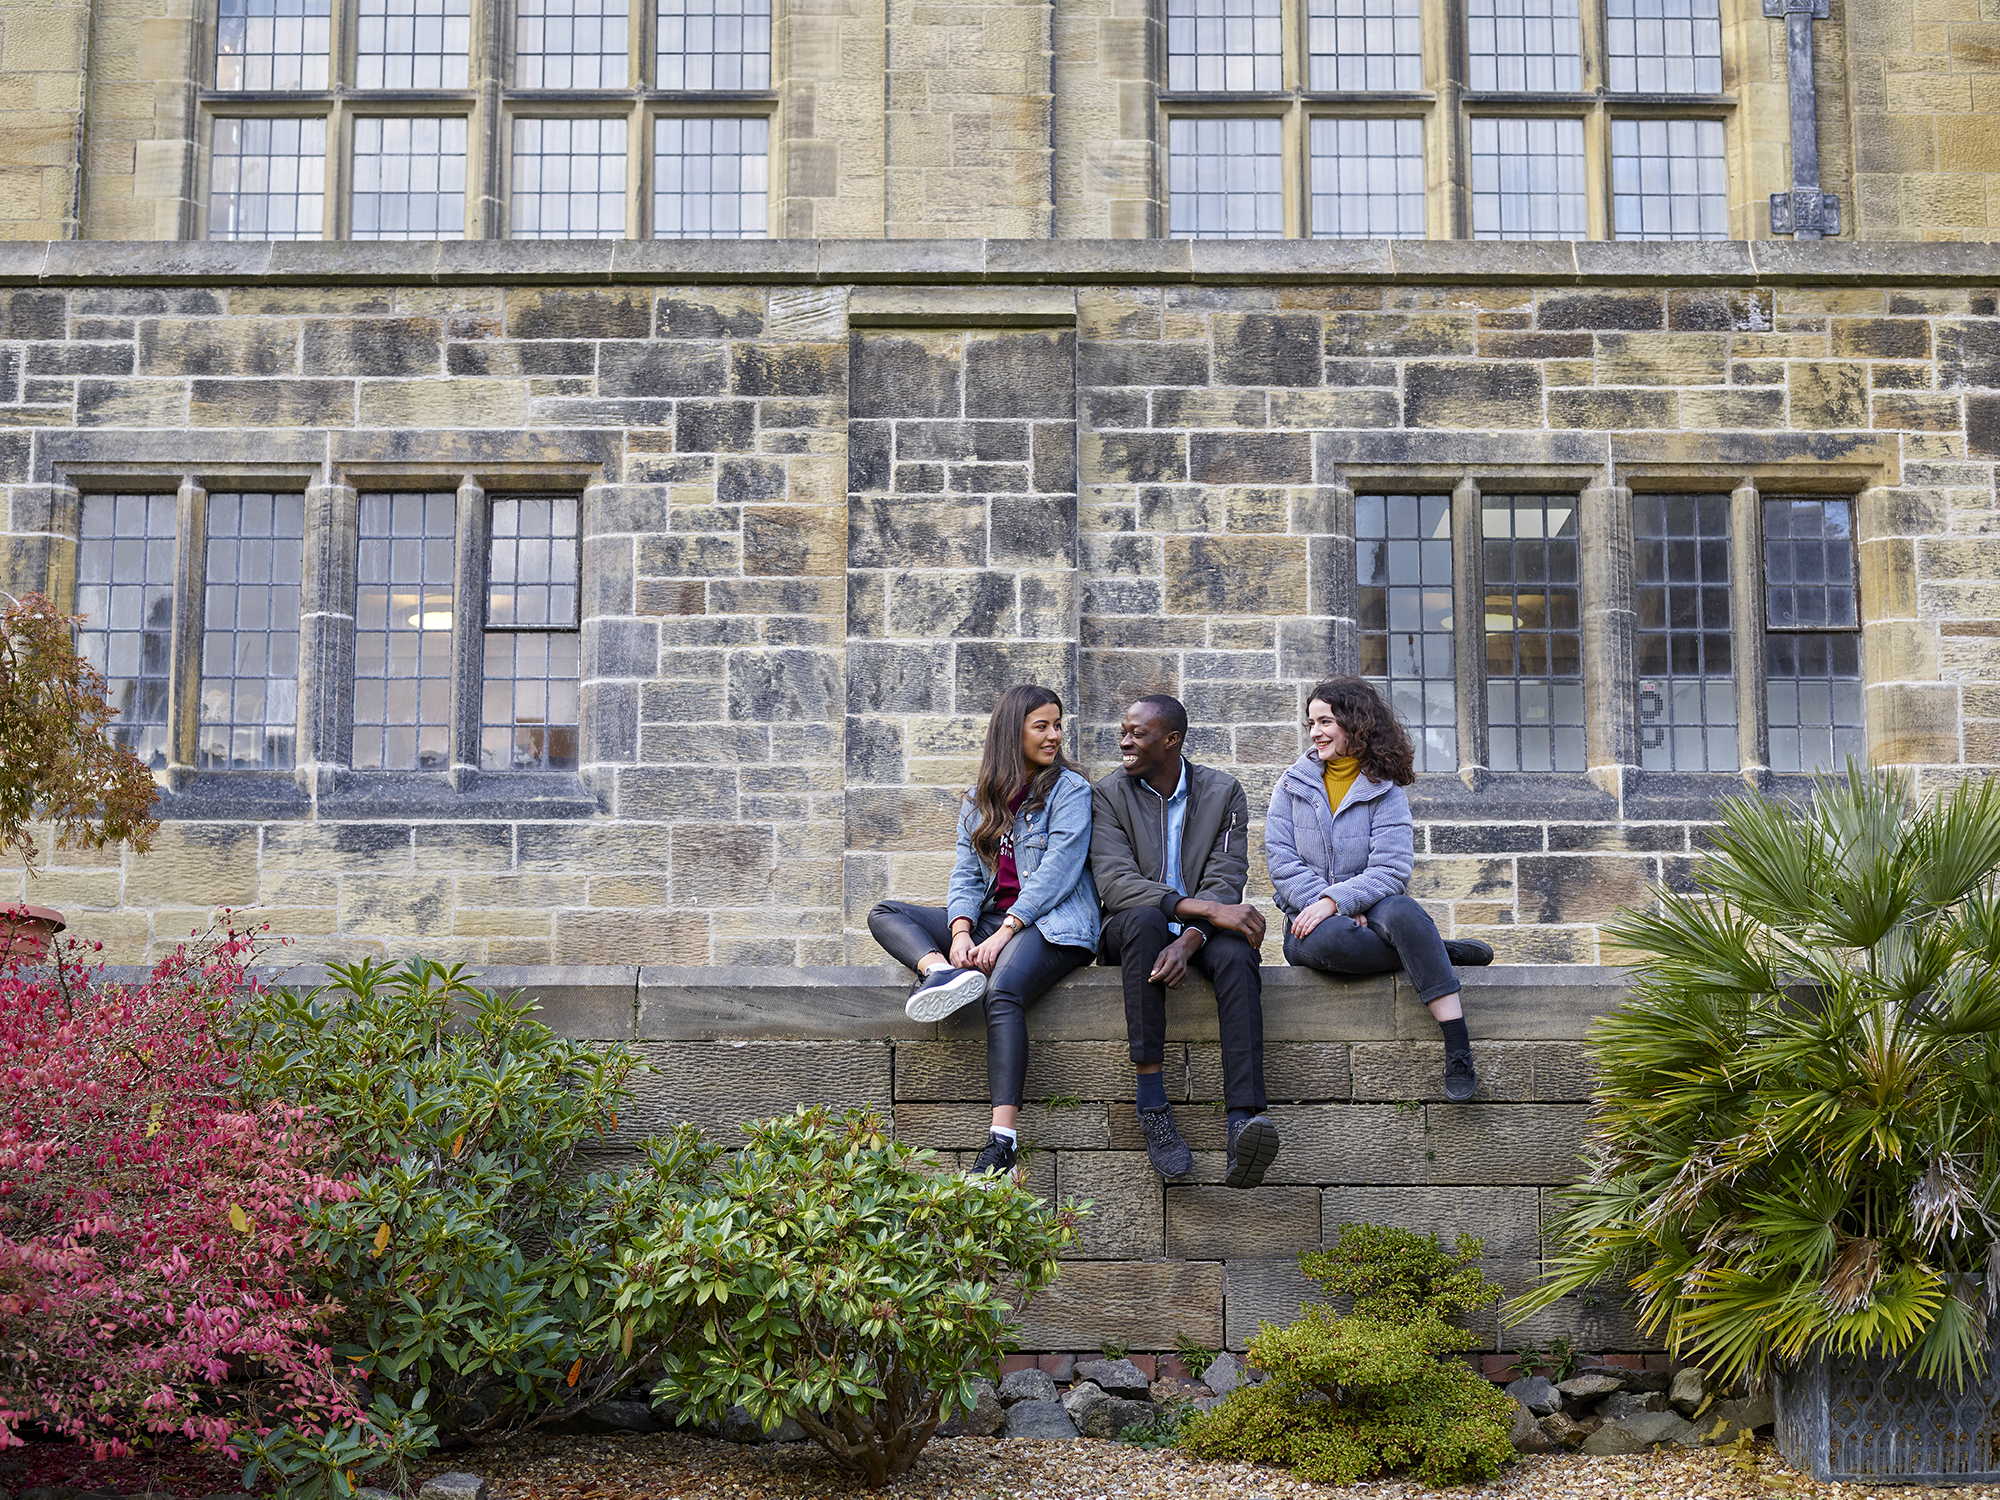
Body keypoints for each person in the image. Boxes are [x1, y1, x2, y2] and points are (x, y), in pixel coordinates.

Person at [867, 684, 1100, 1178]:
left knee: (1003, 992)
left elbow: (1059, 871)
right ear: (1011, 731)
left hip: (1055, 924)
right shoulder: (980, 799)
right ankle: (939, 974)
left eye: (1058, 725)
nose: (1054, 735)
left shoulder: (1071, 790)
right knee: (885, 911)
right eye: (1042, 726)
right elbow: (966, 875)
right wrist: (959, 934)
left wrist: (1004, 933)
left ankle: (1003, 1139)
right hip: (995, 920)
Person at [1264, 676, 1494, 1103]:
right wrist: (1324, 906)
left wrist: (1341, 899)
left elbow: (1391, 869)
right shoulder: (1291, 785)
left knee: (1404, 912)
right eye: (1311, 723)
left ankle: (1458, 1047)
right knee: (1332, 938)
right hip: (1308, 921)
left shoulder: (1386, 791)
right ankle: (1434, 951)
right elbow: (1281, 862)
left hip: (1375, 907)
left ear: (1355, 723)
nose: (1315, 732)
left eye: (1326, 721)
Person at [1091, 693, 1279, 1189]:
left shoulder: (1223, 793)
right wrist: (1203, 909)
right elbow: (1115, 883)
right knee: (1143, 922)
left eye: (1137, 733)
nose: (1124, 741)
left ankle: (1244, 1120)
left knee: (1239, 954)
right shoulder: (1108, 794)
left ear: (1172, 740)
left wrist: (1194, 936)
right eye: (1124, 730)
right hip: (1133, 930)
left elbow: (1225, 877)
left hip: (1199, 934)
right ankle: (1151, 1101)